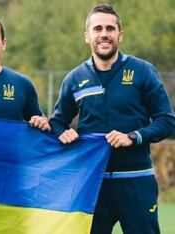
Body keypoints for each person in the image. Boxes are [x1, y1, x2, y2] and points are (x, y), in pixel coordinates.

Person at [49, 4, 175, 234]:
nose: (104, 34)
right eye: (97, 28)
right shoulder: (75, 79)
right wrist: (61, 132)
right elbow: (57, 122)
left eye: (110, 28)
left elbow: (167, 121)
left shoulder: (143, 71)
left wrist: (135, 137)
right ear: (87, 36)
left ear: (120, 35)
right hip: (92, 185)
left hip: (136, 181)